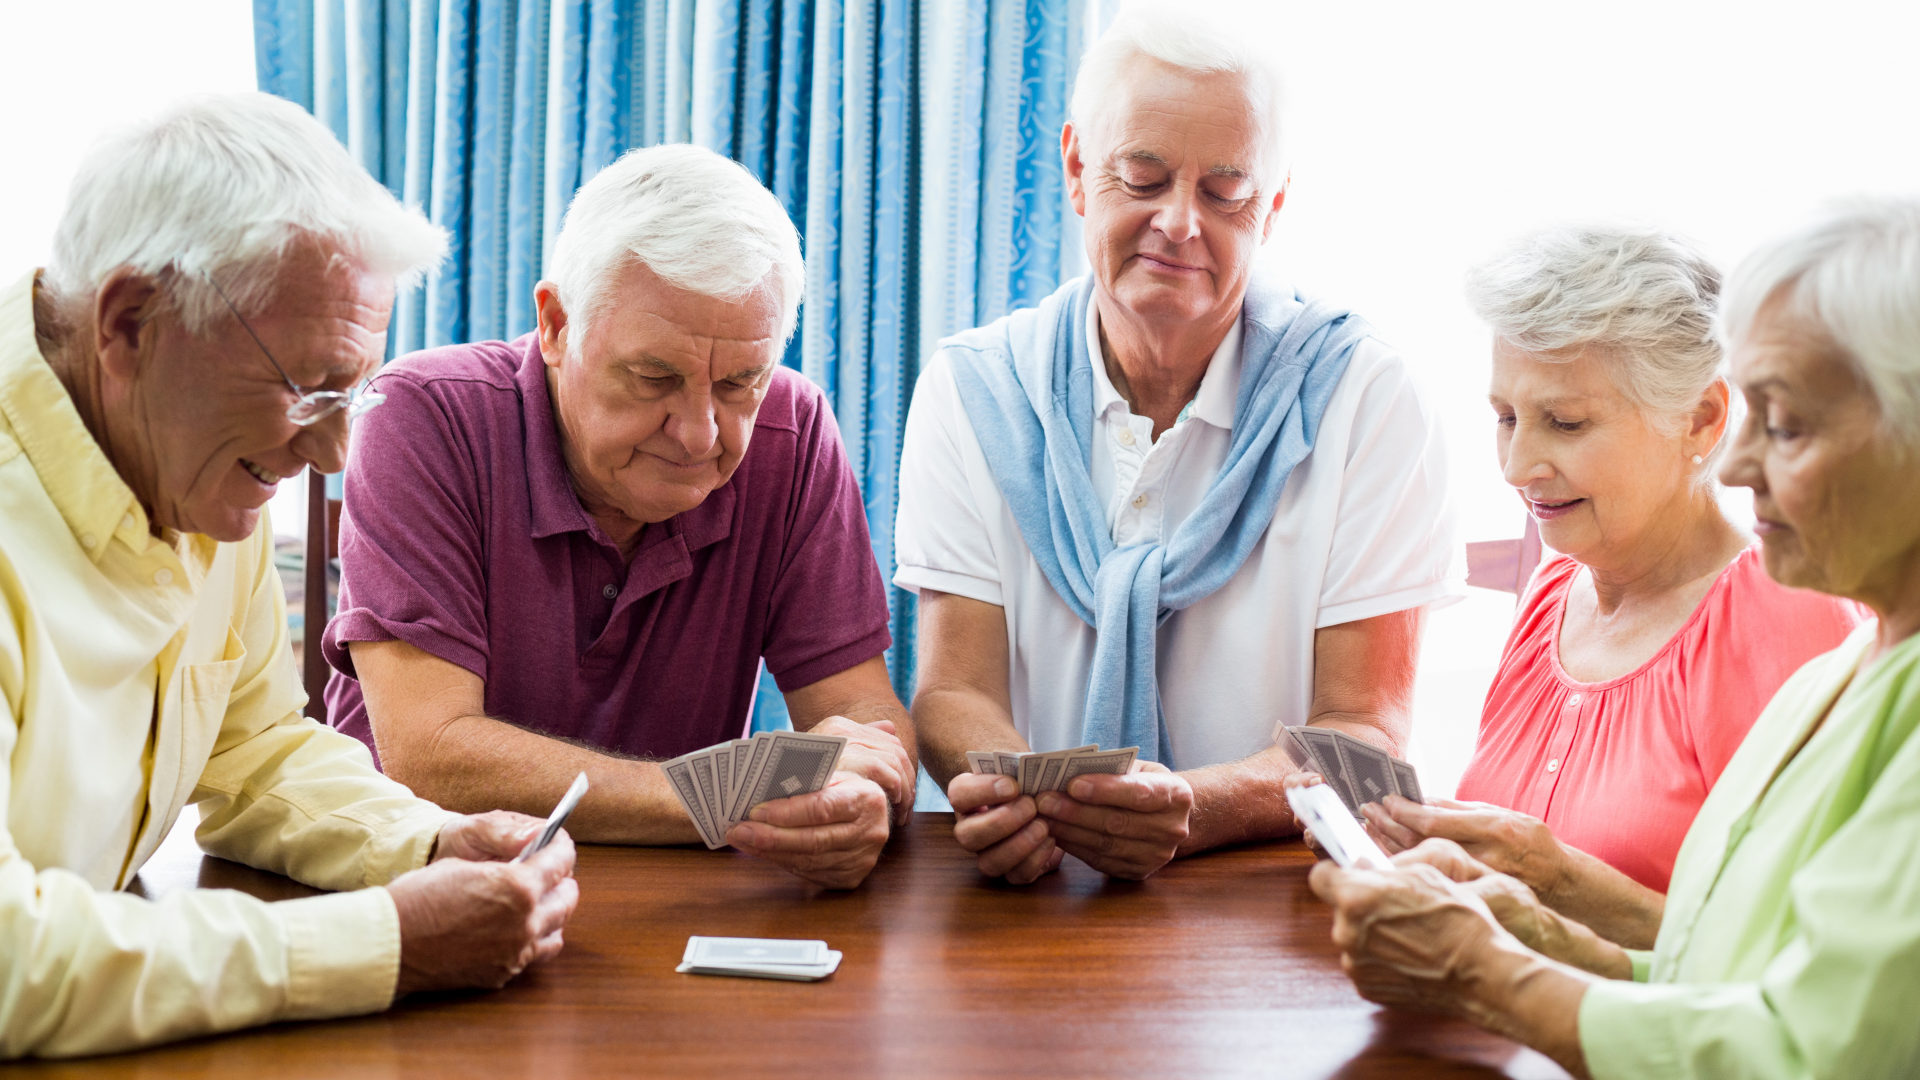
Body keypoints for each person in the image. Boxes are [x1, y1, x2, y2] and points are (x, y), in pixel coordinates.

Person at [0, 93, 579, 1059]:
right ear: (131, 321)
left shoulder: (183, 457)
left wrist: (429, 840)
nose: (336, 447)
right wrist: (388, 941)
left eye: (355, 391)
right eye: (310, 387)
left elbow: (255, 745)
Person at [1308, 198, 1920, 1078]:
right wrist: (1528, 925)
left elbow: (1801, 1050)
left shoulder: (1803, 632)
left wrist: (1492, 970)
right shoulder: (1859, 666)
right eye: (1507, 417)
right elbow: (1720, 971)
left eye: (1784, 427)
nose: (1742, 471)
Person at [894, 3, 1458, 884]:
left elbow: (1366, 732)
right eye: (1144, 176)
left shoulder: (1369, 399)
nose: (1181, 224)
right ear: (1079, 169)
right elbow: (953, 689)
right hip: (1028, 896)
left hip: (1268, 901)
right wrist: (1002, 788)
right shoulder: (973, 389)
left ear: (1271, 207)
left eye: (1225, 191)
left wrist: (1194, 809)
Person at [324, 144, 914, 891]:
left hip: (675, 901)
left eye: (740, 382)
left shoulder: (791, 434)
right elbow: (431, 754)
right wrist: (726, 790)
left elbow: (860, 711)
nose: (701, 432)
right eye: (653, 377)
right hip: (422, 887)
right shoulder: (419, 414)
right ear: (556, 325)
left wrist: (859, 794)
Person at [1359, 226, 1862, 946]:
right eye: (1505, 417)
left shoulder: (1780, 614)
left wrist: (1559, 883)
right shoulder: (1553, 588)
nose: (1517, 465)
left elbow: (1804, 960)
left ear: (1701, 419)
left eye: (1565, 423)